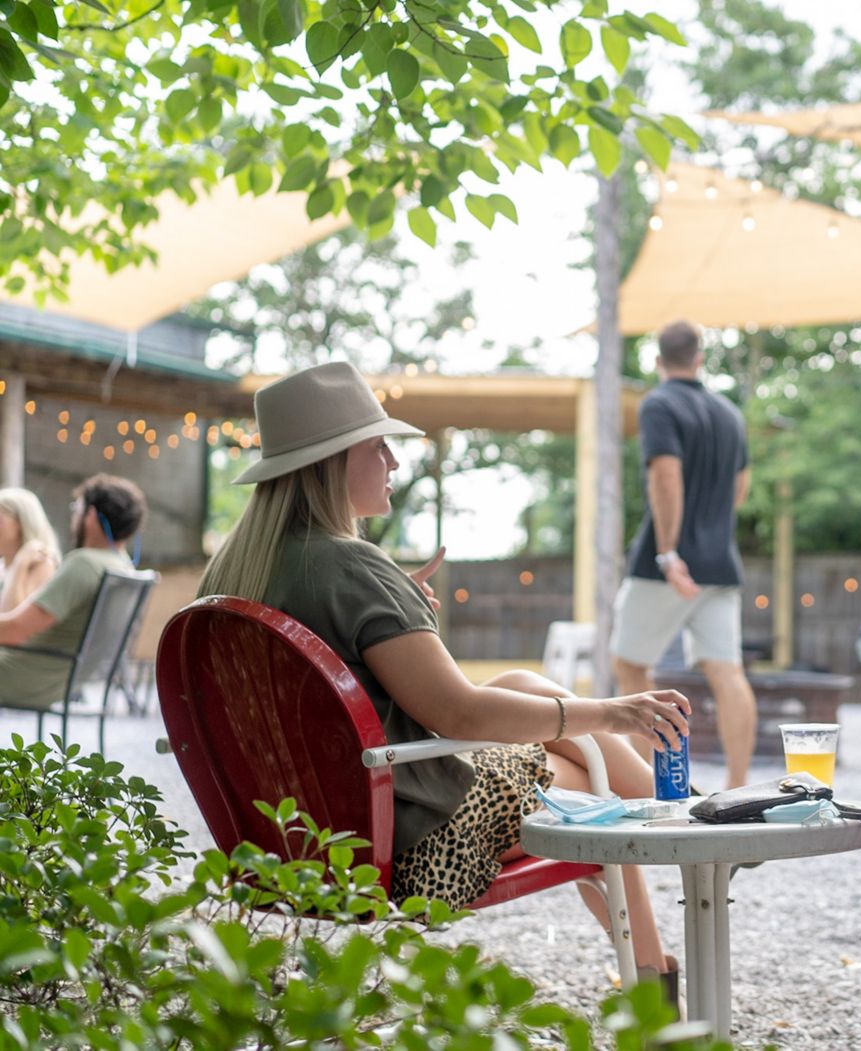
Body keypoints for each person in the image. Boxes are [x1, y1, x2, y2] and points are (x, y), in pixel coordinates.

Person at [198, 362, 691, 984]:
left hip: (285, 839)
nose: (393, 463)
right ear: (335, 460)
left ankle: (674, 833)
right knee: (587, 786)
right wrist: (613, 710)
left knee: (519, 684)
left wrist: (397, 609)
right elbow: (458, 715)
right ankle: (671, 899)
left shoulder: (229, 578)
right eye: (378, 447)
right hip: (408, 845)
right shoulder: (348, 568)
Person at [612, 320, 757, 787]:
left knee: (630, 666)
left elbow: (666, 476)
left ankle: (644, 783)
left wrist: (669, 552)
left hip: (668, 567)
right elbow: (740, 487)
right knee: (727, 671)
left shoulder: (658, 404)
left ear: (658, 361)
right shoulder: (730, 414)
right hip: (720, 564)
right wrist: (709, 528)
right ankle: (738, 789)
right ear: (699, 359)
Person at [0, 476, 143, 708]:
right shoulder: (123, 565)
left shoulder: (84, 564)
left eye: (77, 509)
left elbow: (15, 631)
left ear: (91, 516)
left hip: (27, 675)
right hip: (65, 678)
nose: (73, 518)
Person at [0, 487, 61, 614]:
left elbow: (13, 621)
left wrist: (19, 565)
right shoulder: (2, 564)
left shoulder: (43, 565)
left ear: (21, 523)